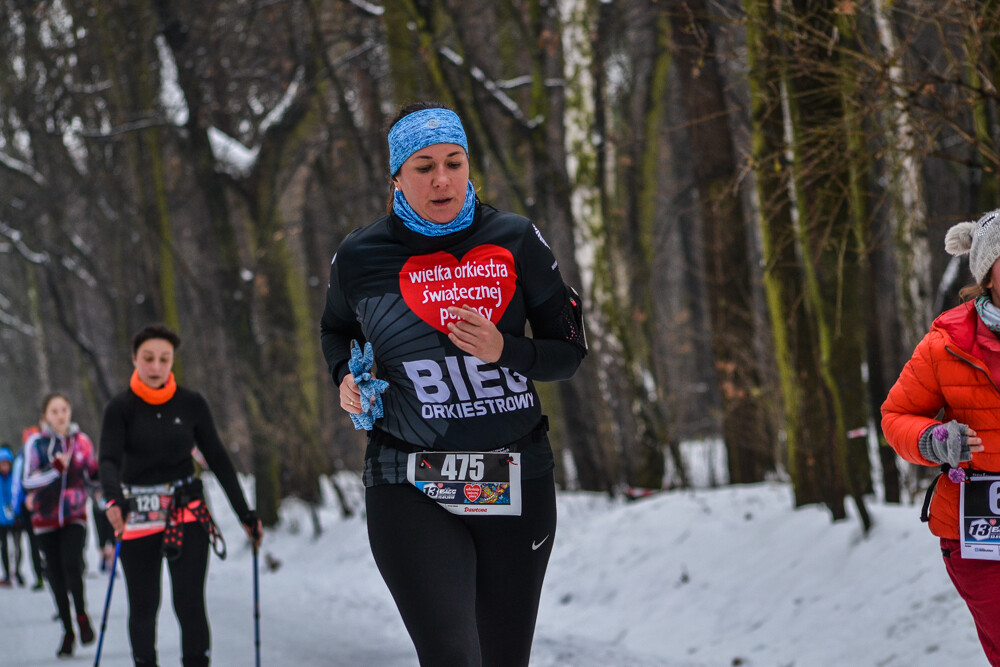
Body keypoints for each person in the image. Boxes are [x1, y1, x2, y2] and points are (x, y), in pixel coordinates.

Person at [320, 102, 588, 666]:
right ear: (396, 175)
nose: (441, 179)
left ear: (470, 166)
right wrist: (347, 376)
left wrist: (504, 350)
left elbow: (567, 355)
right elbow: (337, 329)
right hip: (407, 475)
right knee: (450, 655)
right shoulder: (360, 255)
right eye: (423, 166)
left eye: (454, 161)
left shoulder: (516, 239)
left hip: (513, 474)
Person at [99, 323, 262, 667]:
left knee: (189, 604)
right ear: (134, 359)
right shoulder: (120, 408)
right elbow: (109, 460)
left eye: (164, 359)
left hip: (186, 510)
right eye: (148, 358)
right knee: (144, 606)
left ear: (172, 360)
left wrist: (245, 514)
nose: (156, 367)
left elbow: (217, 458)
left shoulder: (191, 404)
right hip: (137, 513)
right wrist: (113, 499)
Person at [882, 209, 1000, 667]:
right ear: (988, 273)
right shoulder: (946, 343)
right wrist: (934, 440)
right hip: (979, 534)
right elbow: (897, 415)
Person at [22, 393, 99, 657]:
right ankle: (67, 631)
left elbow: (94, 474)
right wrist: (54, 469)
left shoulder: (82, 442)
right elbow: (28, 482)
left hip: (75, 515)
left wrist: (106, 484)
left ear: (70, 411)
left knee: (71, 565)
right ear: (45, 416)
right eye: (54, 411)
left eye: (64, 409)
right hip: (45, 519)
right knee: (54, 574)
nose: (60, 415)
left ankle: (81, 614)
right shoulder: (36, 444)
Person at [12, 441, 45, 590]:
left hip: (41, 507)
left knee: (40, 543)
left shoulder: (41, 457)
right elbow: (17, 487)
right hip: (32, 507)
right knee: (36, 543)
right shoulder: (21, 461)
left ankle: (44, 574)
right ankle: (40, 574)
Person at [0, 444, 24, 586]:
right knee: (4, 546)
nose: (5, 467)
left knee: (17, 545)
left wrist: (17, 512)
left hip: (15, 516)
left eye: (6, 463)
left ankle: (18, 571)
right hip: (1, 519)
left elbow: (18, 494)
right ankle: (7, 574)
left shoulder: (15, 476)